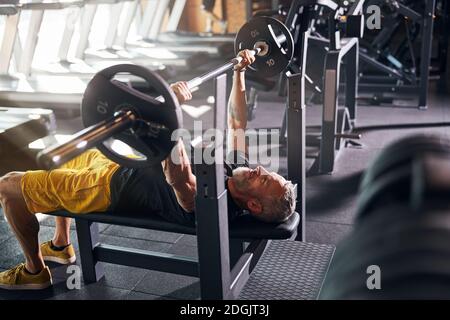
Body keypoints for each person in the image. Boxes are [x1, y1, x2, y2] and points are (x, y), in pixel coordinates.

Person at [0, 50, 296, 290]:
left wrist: (169, 114)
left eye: (265, 178)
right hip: (121, 163)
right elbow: (237, 123)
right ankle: (62, 246)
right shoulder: (241, 171)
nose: (259, 168)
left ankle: (34, 272)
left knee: (9, 186)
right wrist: (239, 72)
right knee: (65, 160)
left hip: (104, 187)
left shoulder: (209, 202)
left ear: (253, 203)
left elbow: (178, 177)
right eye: (267, 171)